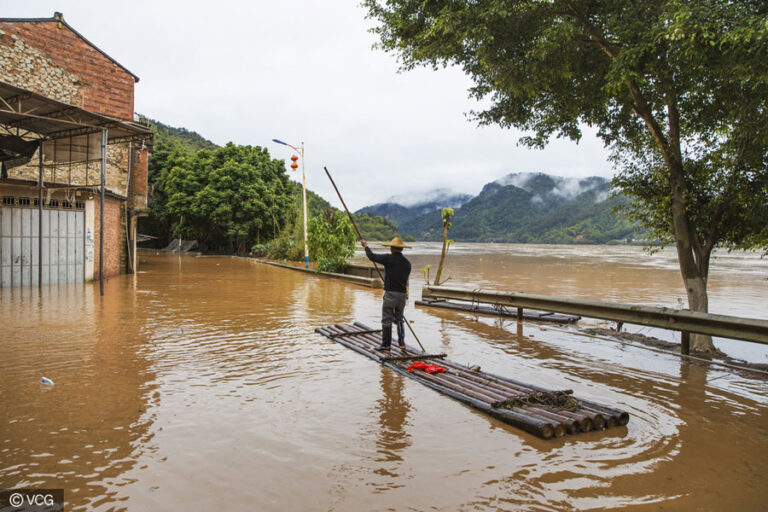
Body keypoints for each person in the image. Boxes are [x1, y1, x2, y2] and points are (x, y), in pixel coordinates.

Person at [361, 237, 412, 353]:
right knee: (399, 319)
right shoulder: (407, 263)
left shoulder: (388, 258)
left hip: (391, 295)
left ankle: (386, 346)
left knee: (387, 320)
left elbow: (372, 257)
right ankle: (402, 344)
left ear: (392, 248)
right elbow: (405, 280)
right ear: (401, 249)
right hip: (402, 296)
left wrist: (365, 246)